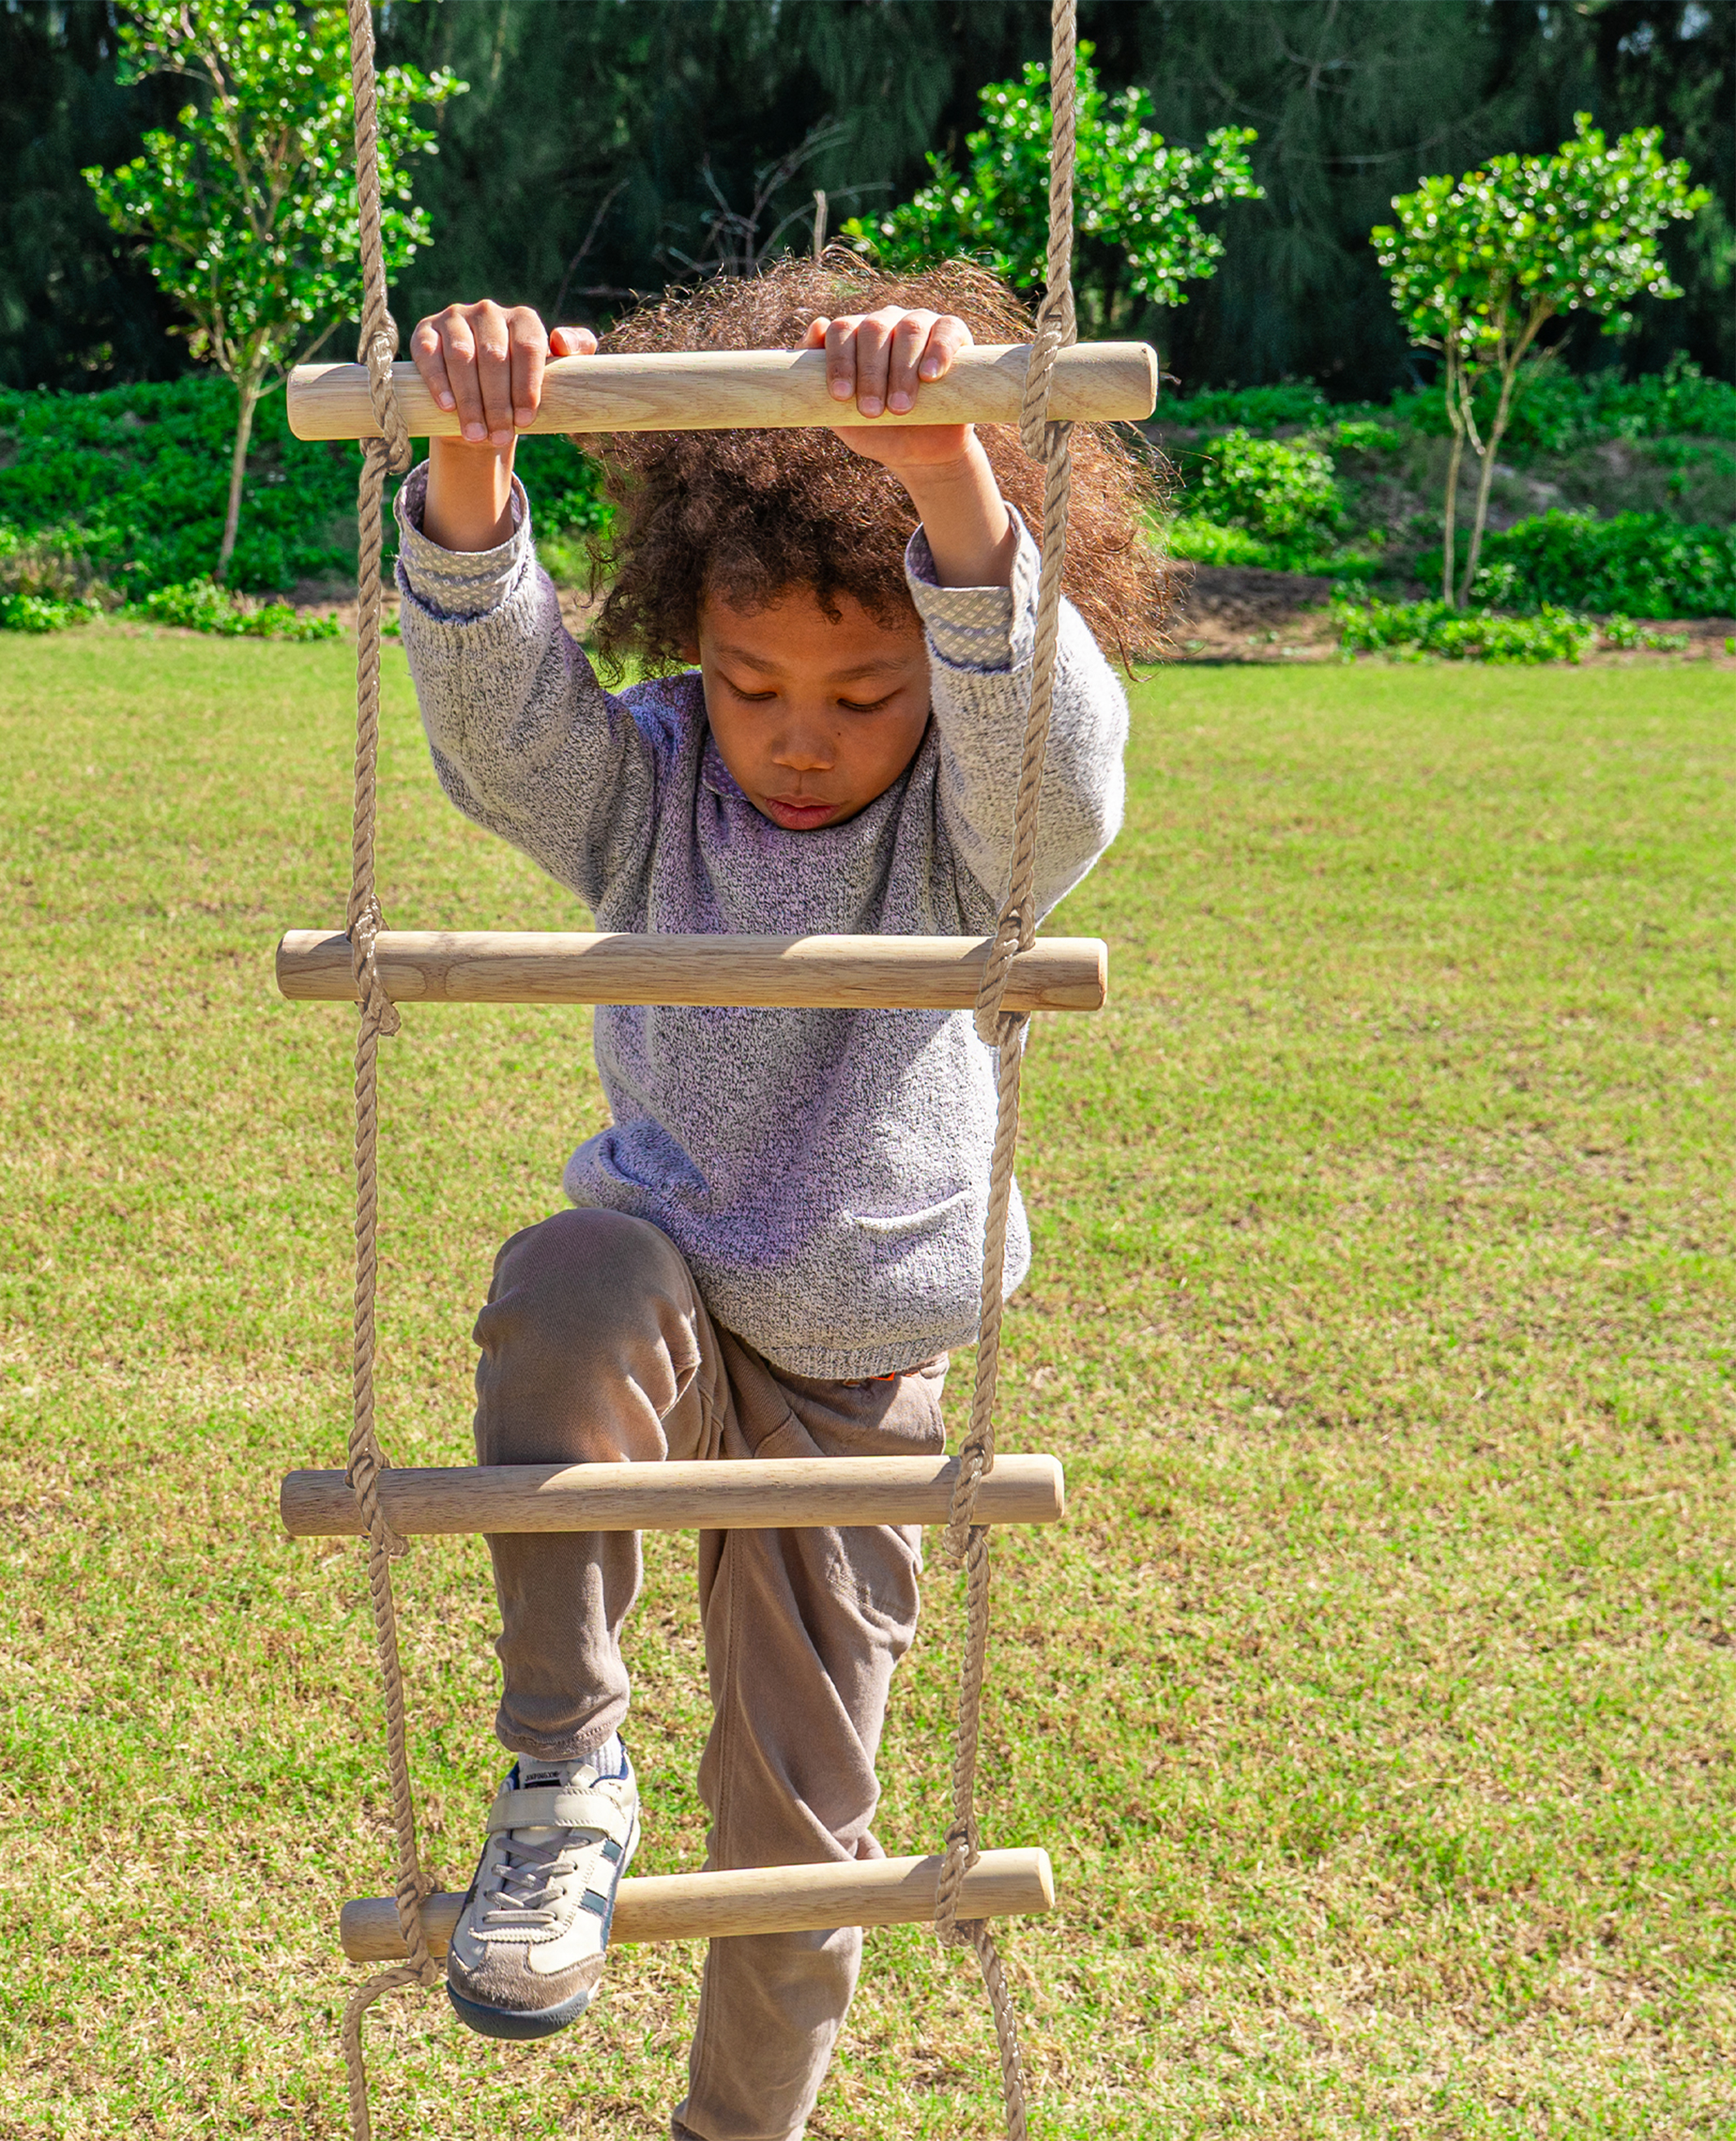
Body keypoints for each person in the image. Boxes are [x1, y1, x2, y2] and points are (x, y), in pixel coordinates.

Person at [392, 258, 1165, 2141]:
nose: (799, 737)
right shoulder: (654, 784)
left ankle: (739, 2129)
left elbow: (1060, 778)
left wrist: (947, 476)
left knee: (803, 1848)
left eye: (862, 691)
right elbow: (503, 734)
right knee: (569, 1276)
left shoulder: (969, 831)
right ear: (693, 642)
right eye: (752, 684)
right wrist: (474, 467)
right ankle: (563, 1772)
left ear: (938, 667)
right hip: (667, 1306)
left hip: (855, 1378)